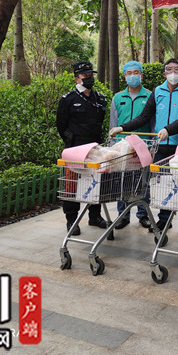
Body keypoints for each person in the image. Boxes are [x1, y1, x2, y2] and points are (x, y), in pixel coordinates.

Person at [110, 58, 178, 236]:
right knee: (164, 185)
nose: (173, 73)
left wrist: (168, 130)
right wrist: (122, 127)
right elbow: (144, 116)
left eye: (176, 69)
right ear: (164, 74)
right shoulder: (158, 92)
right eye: (169, 69)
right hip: (161, 148)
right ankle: (164, 219)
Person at [56, 61, 108, 235]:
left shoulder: (99, 98)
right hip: (75, 150)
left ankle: (95, 216)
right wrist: (72, 141)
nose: (89, 78)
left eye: (91, 75)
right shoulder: (68, 100)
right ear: (76, 78)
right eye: (85, 76)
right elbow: (61, 125)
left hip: (95, 149)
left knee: (95, 183)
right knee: (72, 186)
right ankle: (72, 220)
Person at [109, 61, 153, 230]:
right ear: (124, 76)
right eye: (129, 73)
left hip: (143, 146)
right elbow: (113, 123)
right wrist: (112, 147)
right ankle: (123, 215)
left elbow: (153, 123)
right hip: (122, 147)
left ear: (141, 75)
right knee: (122, 182)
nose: (133, 76)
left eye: (136, 72)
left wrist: (152, 147)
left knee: (143, 182)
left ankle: (143, 214)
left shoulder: (150, 96)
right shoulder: (118, 97)